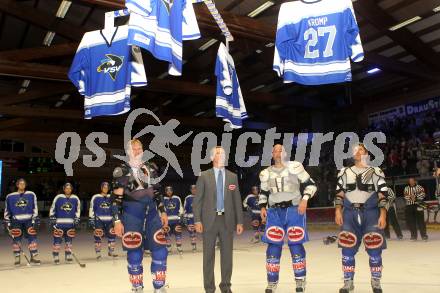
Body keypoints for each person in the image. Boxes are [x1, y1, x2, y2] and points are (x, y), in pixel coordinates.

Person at [111, 139, 169, 292]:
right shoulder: (121, 171)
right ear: (128, 151)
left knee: (161, 249)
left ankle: (159, 285)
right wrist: (117, 221)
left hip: (152, 214)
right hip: (132, 215)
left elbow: (157, 192)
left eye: (139, 148)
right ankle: (137, 287)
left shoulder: (151, 167)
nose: (137, 151)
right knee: (135, 253)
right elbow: (116, 199)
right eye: (134, 149)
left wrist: (163, 211)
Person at [259, 144, 317, 293]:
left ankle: (300, 281)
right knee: (273, 247)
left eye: (281, 150)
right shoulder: (265, 173)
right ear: (271, 154)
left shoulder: (295, 166)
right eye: (275, 150)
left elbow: (311, 185)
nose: (278, 153)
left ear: (285, 153)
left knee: (296, 245)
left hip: (294, 210)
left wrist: (304, 199)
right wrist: (262, 207)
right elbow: (264, 192)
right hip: (274, 213)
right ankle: (272, 282)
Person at [334, 144, 388, 293]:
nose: (357, 152)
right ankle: (348, 282)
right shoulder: (344, 172)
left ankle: (376, 281)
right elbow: (339, 194)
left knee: (374, 247)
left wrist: (383, 214)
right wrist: (338, 211)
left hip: (371, 213)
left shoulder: (376, 171)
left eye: (361, 150)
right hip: (349, 213)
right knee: (347, 248)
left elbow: (383, 195)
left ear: (366, 153)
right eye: (355, 150)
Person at [193, 146, 244, 293]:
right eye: (218, 153)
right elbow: (198, 201)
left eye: (223, 153)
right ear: (212, 158)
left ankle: (226, 286)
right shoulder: (204, 176)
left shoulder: (232, 177)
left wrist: (239, 221)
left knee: (227, 256)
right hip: (209, 221)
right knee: (208, 257)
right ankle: (209, 288)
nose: (221, 155)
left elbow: (236, 200)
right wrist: (197, 220)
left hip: (227, 221)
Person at [3, 178, 41, 266]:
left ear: (25, 185)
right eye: (20, 184)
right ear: (17, 185)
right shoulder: (10, 196)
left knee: (32, 238)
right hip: (16, 221)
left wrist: (35, 218)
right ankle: (17, 257)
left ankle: (34, 257)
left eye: (24, 184)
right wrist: (7, 221)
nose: (22, 185)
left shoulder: (31, 194)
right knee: (16, 239)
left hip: (29, 220)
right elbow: (7, 209)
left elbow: (35, 207)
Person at [49, 183, 81, 264]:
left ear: (71, 189)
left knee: (69, 241)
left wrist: (77, 218)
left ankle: (68, 255)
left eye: (70, 188)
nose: (68, 190)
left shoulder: (75, 198)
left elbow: (78, 210)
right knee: (57, 241)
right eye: (66, 188)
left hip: (70, 224)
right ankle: (55, 256)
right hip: (59, 224)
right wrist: (52, 217)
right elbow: (52, 208)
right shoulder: (58, 197)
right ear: (64, 189)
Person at [89, 181, 116, 259]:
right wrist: (91, 218)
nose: (106, 189)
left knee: (112, 235)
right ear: (101, 188)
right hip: (99, 219)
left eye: (107, 187)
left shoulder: (111, 197)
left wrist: (115, 218)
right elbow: (91, 207)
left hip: (110, 220)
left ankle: (111, 251)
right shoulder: (96, 197)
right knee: (98, 235)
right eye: (104, 187)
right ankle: (98, 253)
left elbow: (115, 208)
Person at [163, 185, 184, 255]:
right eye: (167, 190)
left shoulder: (177, 198)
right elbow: (161, 210)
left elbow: (181, 207)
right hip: (167, 221)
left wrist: (180, 215)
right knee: (167, 235)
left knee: (178, 234)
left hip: (176, 220)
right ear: (165, 191)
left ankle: (179, 247)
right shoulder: (163, 199)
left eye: (170, 190)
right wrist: (162, 219)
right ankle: (168, 248)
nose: (169, 192)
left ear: (172, 191)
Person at [183, 184, 197, 252]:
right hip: (190, 218)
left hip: (199, 218)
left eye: (195, 189)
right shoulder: (187, 198)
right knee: (192, 232)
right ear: (190, 190)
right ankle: (194, 246)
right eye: (192, 189)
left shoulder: (201, 196)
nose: (194, 190)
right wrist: (185, 217)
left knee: (203, 231)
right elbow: (185, 208)